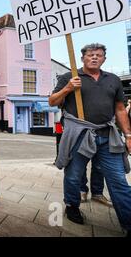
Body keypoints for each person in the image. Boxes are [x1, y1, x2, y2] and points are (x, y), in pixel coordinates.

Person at [49, 43, 131, 237]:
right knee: (74, 175)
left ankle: (128, 222)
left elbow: (120, 109)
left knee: (118, 180)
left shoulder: (113, 80)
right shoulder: (69, 77)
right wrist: (68, 88)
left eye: (99, 55)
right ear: (82, 58)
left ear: (104, 59)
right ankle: (72, 205)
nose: (95, 57)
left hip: (106, 136)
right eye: (90, 54)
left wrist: (128, 135)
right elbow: (52, 101)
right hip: (79, 135)